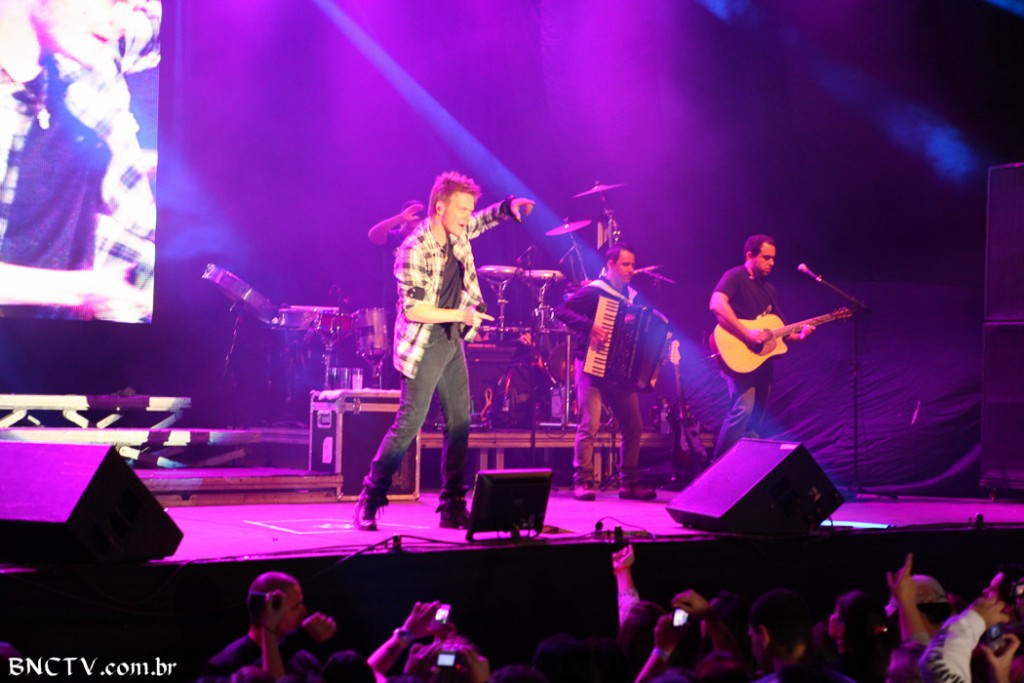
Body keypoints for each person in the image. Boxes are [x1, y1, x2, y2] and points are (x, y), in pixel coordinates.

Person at [352, 171, 534, 530]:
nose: (468, 216)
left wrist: (507, 207)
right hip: (424, 343)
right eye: (462, 209)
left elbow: (481, 222)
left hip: (452, 339)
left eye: (469, 209)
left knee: (461, 423)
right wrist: (460, 314)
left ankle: (452, 506)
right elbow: (414, 310)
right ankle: (370, 497)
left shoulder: (458, 231)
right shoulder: (413, 249)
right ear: (440, 207)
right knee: (410, 423)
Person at [0, 0, 158, 322]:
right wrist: (81, 291)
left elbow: (185, 24)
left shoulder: (87, 46)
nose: (124, 20)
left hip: (102, 316)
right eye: (115, 0)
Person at [555, 243, 656, 501]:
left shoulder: (631, 297)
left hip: (619, 373)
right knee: (589, 424)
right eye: (625, 264)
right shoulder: (595, 290)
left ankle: (628, 484)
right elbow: (561, 310)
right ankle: (583, 481)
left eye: (633, 265)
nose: (631, 269)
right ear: (611, 265)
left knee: (633, 425)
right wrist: (589, 326)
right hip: (591, 364)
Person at [709, 235, 813, 460]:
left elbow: (778, 330)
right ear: (750, 256)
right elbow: (716, 304)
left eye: (773, 258)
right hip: (737, 352)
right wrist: (747, 334)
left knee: (757, 417)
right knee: (743, 408)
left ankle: (746, 468)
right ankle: (718, 467)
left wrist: (800, 336)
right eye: (766, 257)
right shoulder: (735, 276)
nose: (772, 263)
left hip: (761, 358)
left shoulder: (769, 290)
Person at [201, 571, 337, 680]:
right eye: (296, 606)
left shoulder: (304, 660)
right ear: (270, 608)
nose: (304, 612)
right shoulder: (225, 665)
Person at [368, 200, 426, 389]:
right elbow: (373, 234)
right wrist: (401, 217)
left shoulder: (425, 242)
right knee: (394, 353)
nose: (413, 230)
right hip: (393, 304)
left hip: (419, 306)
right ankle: (391, 394)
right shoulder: (394, 238)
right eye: (409, 225)